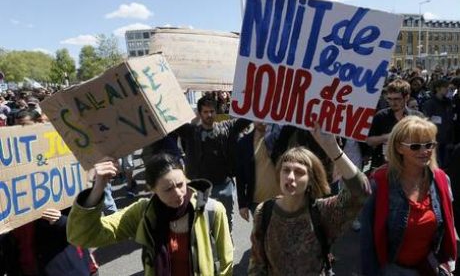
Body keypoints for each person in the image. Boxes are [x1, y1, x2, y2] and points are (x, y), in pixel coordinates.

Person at [67, 153, 233, 276]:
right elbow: (82, 237)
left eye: (181, 184)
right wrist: (97, 189)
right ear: (151, 189)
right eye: (168, 189)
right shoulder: (143, 213)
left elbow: (226, 262)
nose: (178, 193)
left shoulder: (212, 210)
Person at [248, 122, 370, 275]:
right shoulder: (264, 211)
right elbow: (257, 264)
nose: (290, 177)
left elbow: (361, 192)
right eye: (286, 170)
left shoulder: (323, 212)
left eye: (299, 172)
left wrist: (334, 150)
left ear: (311, 179)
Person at [361, 116, 456, 275]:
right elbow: (367, 241)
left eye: (429, 144)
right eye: (415, 146)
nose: (424, 151)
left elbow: (448, 225)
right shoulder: (379, 182)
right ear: (399, 148)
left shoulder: (441, 179)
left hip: (428, 267)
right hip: (392, 269)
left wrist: (447, 264)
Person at [175, 95, 250, 232]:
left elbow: (248, 118)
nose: (209, 115)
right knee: (201, 224)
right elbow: (170, 122)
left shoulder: (227, 128)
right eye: (205, 112)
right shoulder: (191, 132)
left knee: (226, 223)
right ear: (199, 113)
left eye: (212, 111)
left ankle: (227, 249)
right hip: (200, 189)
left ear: (216, 112)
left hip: (224, 187)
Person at [367, 79, 423, 170]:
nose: (393, 103)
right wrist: (388, 137)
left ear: (406, 97)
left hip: (410, 165)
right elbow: (369, 141)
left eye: (397, 99)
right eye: (390, 99)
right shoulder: (381, 116)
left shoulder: (417, 117)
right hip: (384, 165)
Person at [422, 79, 455, 168]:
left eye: (448, 87)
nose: (447, 89)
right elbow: (426, 121)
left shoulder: (448, 103)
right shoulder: (429, 104)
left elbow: (451, 121)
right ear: (437, 88)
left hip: (447, 140)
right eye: (445, 87)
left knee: (446, 165)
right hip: (435, 140)